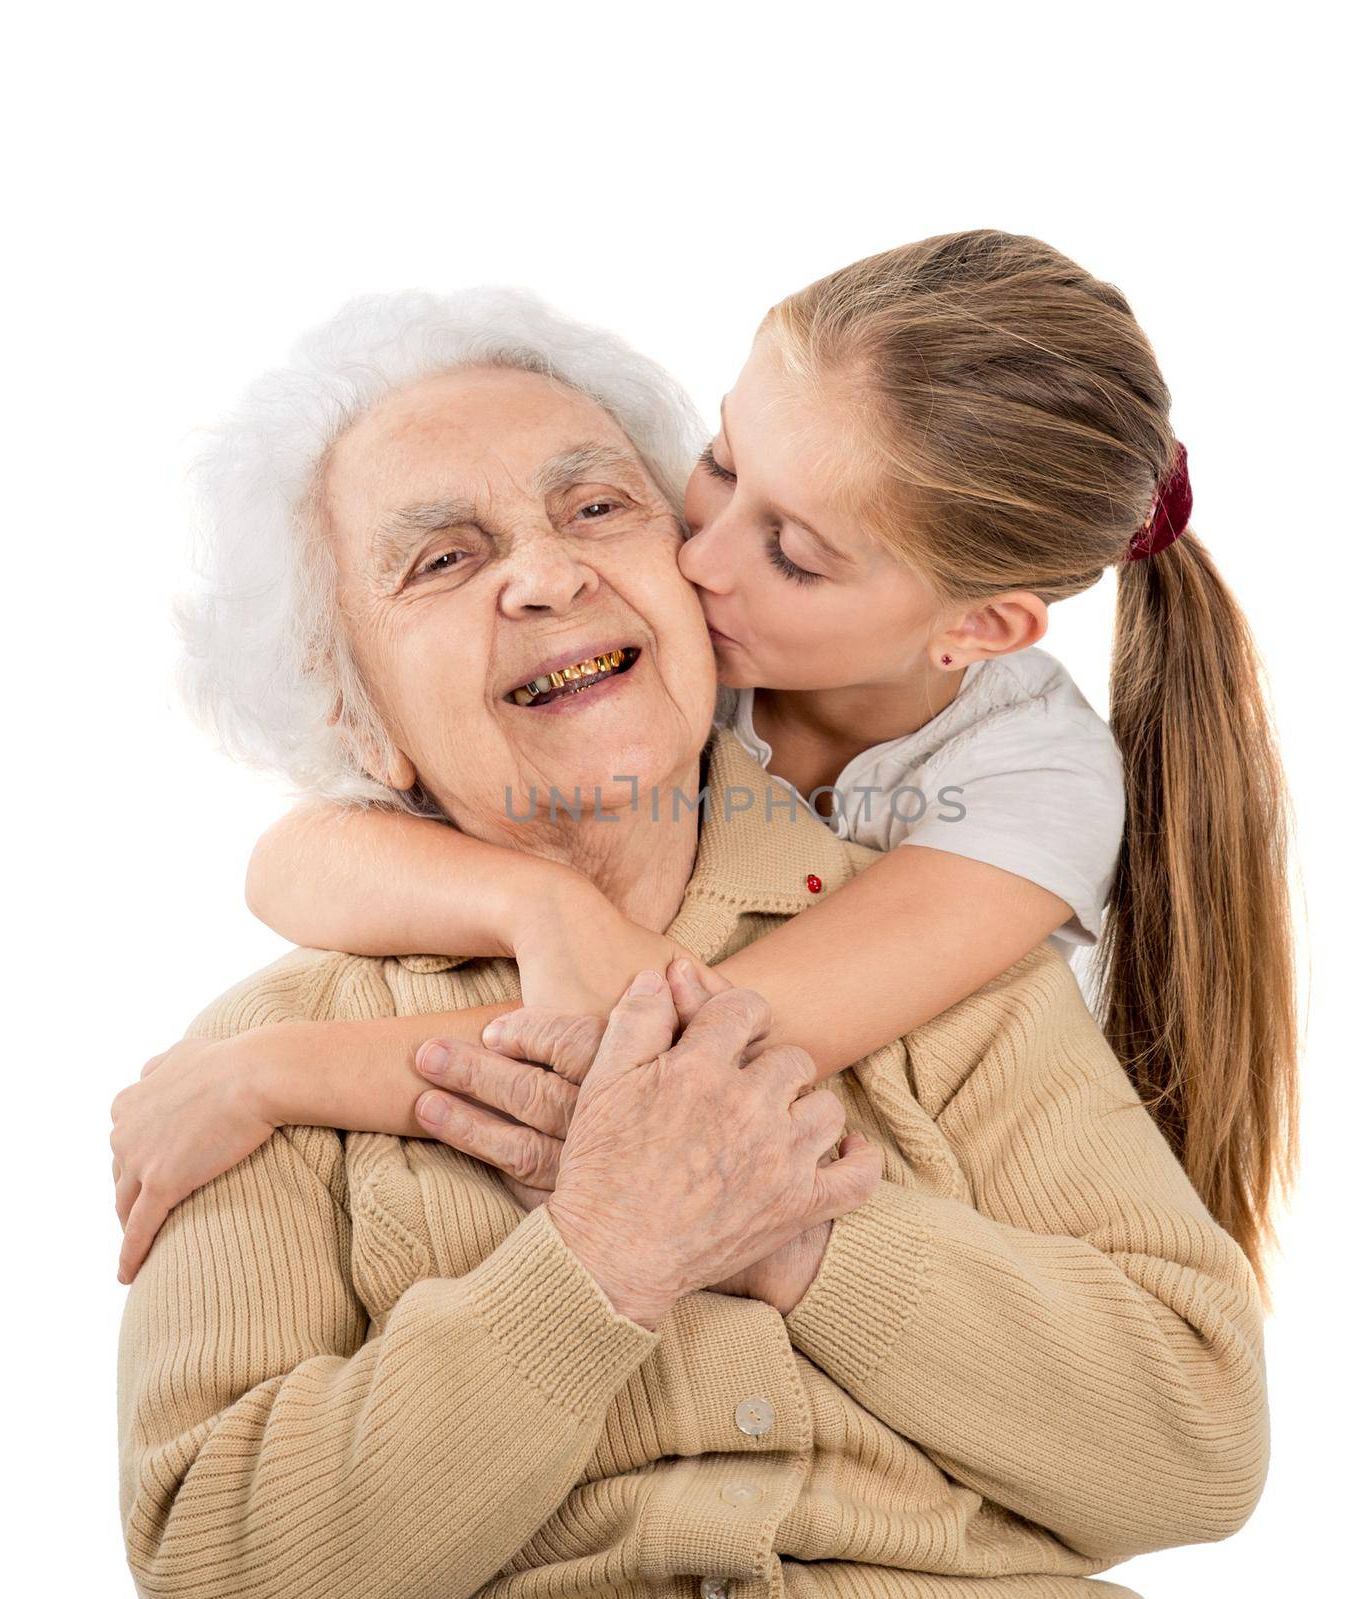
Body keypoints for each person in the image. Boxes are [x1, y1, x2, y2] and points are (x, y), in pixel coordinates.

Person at [116, 277, 1271, 1599]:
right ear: (354, 714)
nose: (551, 572)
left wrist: (791, 1234)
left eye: (601, 506)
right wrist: (601, 1258)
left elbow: (1194, 1451)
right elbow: (220, 1570)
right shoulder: (244, 1062)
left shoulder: (961, 940)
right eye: (444, 559)